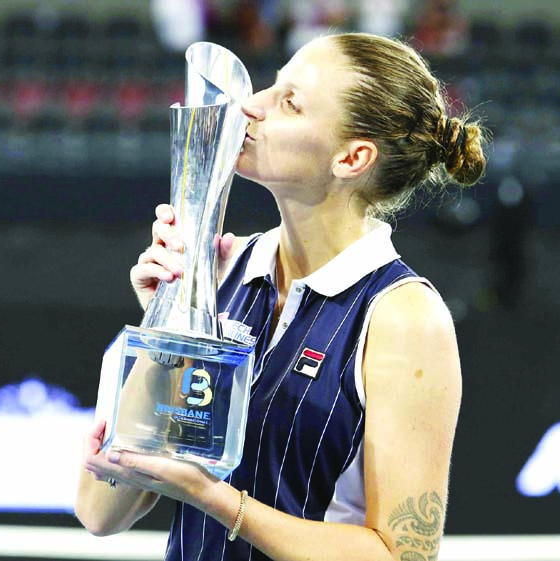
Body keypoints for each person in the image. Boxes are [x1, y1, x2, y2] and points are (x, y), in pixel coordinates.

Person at [75, 31, 487, 561]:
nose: (252, 106)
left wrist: (216, 498)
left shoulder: (403, 317)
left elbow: (400, 555)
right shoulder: (222, 270)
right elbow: (99, 512)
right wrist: (171, 322)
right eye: (272, 86)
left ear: (352, 157)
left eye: (289, 102)